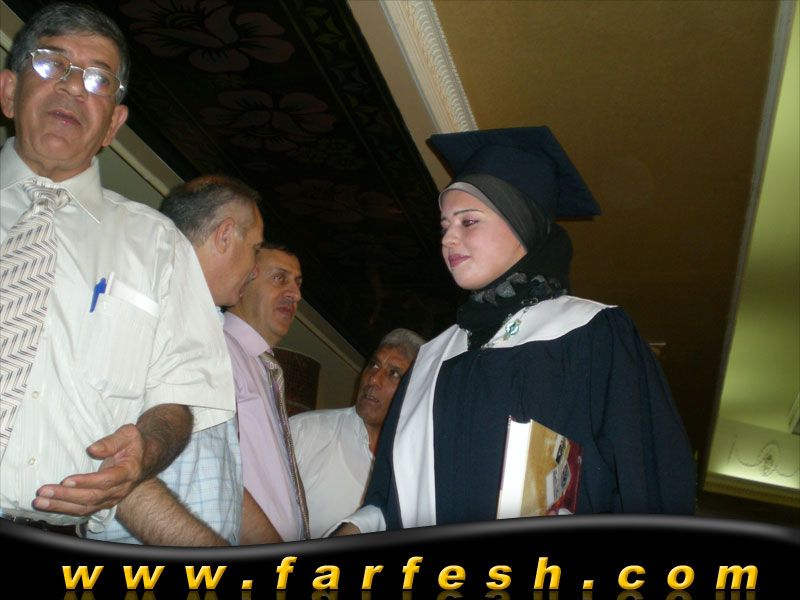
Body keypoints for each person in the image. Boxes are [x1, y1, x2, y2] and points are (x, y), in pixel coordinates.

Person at [334, 126, 696, 535]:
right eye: (444, 226)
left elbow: (649, 487)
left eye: (469, 221)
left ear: (523, 224)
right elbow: (389, 495)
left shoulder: (593, 335)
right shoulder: (431, 359)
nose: (448, 238)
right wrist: (355, 528)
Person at [0, 2, 233, 536]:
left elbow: (177, 400)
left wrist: (145, 450)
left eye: (98, 79)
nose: (73, 86)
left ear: (114, 124)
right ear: (9, 91)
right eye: (51, 64)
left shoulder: (159, 246)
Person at [87, 174, 272, 545]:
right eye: (255, 248)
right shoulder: (135, 312)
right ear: (225, 234)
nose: (255, 269)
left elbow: (220, 478)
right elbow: (108, 466)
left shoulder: (209, 332)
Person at [290, 328, 425, 538]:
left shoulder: (415, 476)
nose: (374, 380)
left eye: (394, 373)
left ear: (414, 391)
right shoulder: (305, 431)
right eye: (374, 365)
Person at [224, 242, 307, 541]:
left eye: (297, 283)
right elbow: (216, 474)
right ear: (243, 281)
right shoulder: (218, 350)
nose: (296, 294)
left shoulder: (264, 368)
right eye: (280, 278)